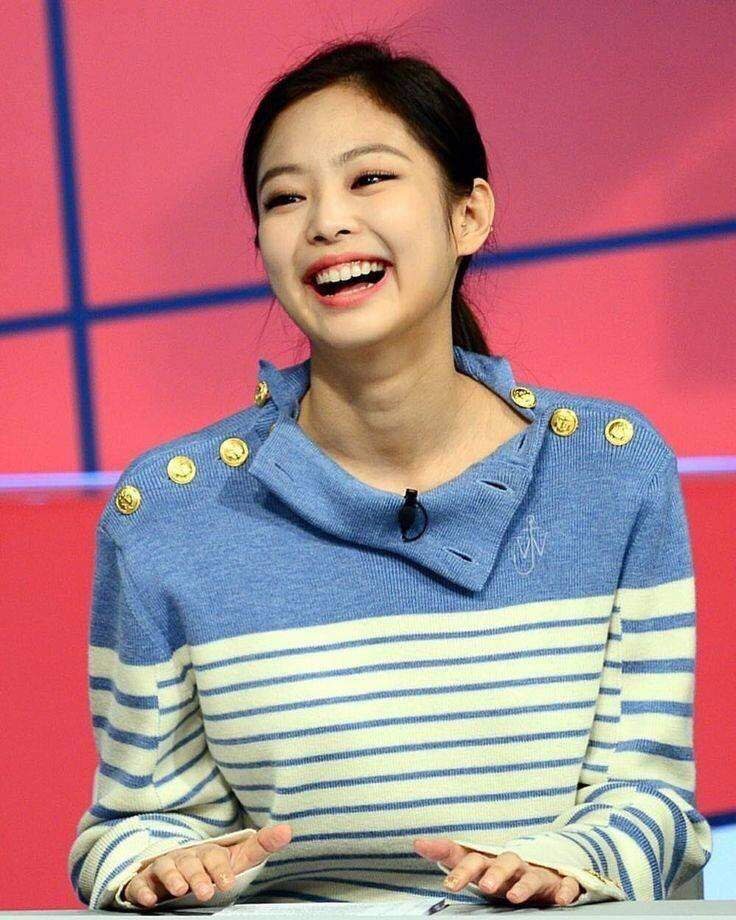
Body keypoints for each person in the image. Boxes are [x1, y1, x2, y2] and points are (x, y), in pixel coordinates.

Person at [68, 36, 712, 912]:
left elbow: (647, 796)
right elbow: (139, 819)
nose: (326, 221)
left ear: (468, 215)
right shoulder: (168, 513)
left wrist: (566, 866)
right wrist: (160, 867)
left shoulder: (613, 473)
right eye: (286, 197)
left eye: (369, 178)